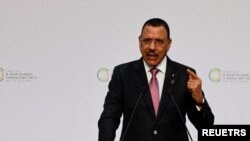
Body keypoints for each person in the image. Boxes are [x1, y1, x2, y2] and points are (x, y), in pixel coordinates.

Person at [98, 18, 214, 141]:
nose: (152, 47)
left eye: (159, 41)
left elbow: (206, 128)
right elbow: (109, 118)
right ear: (139, 41)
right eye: (147, 40)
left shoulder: (184, 75)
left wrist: (199, 101)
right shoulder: (123, 74)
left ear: (168, 44)